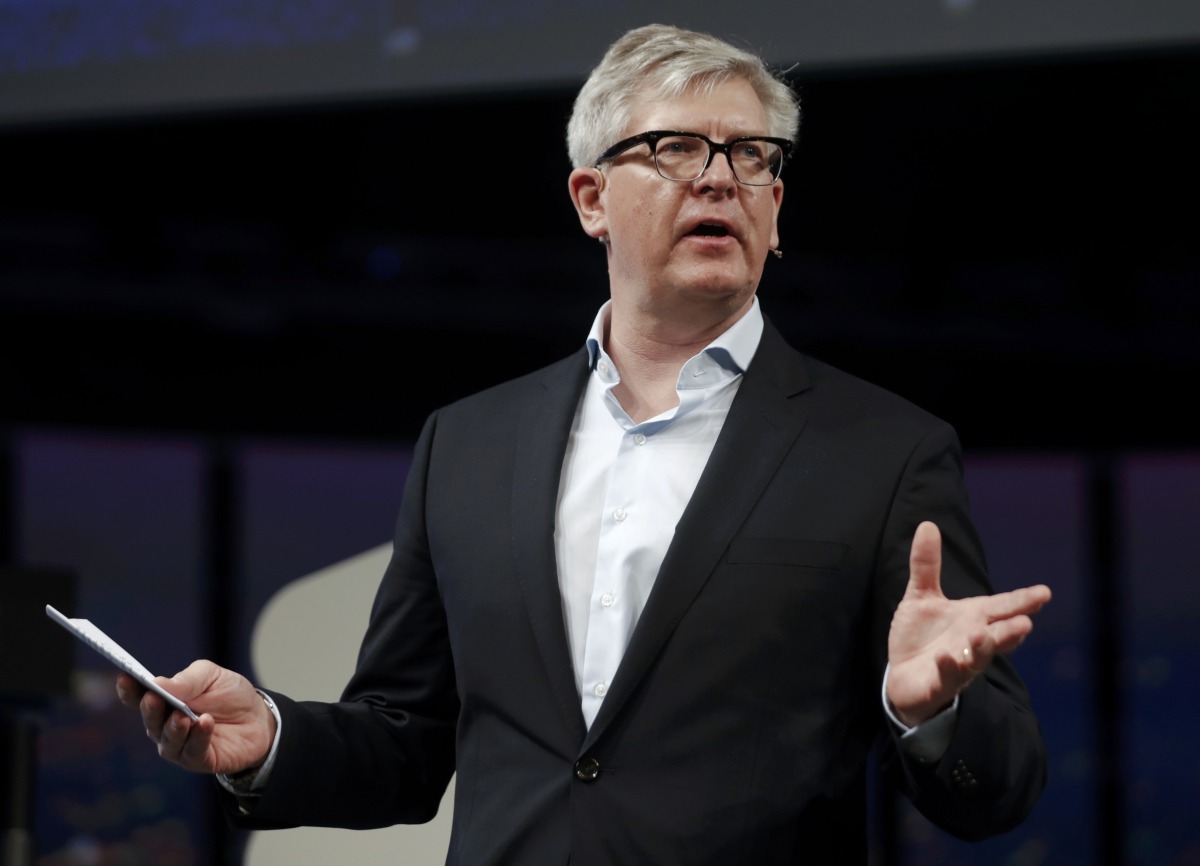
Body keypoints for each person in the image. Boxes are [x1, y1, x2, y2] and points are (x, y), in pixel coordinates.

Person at [118, 22, 1052, 865]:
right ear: (590, 198)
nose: (719, 178)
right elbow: (406, 743)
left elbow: (999, 789)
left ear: (774, 206)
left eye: (751, 155)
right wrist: (271, 739)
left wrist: (931, 713)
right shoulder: (467, 444)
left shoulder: (884, 452)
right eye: (676, 149)